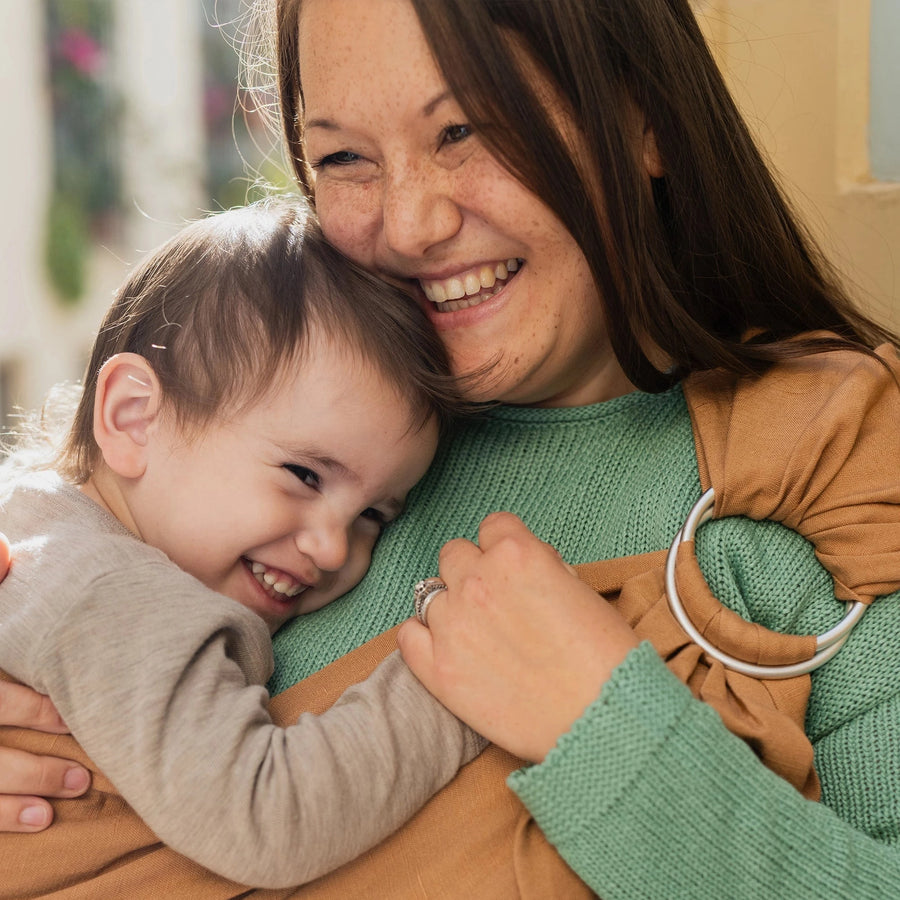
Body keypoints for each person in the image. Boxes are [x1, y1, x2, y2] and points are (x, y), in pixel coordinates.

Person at [3, 0, 900, 896]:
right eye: (344, 157)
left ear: (644, 118)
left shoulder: (834, 473)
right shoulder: (260, 409)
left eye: (464, 130)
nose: (411, 224)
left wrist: (608, 730)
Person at [0, 197, 485, 889]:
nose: (330, 547)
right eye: (304, 473)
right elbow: (266, 818)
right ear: (135, 419)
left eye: (374, 515)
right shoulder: (116, 595)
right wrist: (453, 681)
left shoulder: (36, 516)